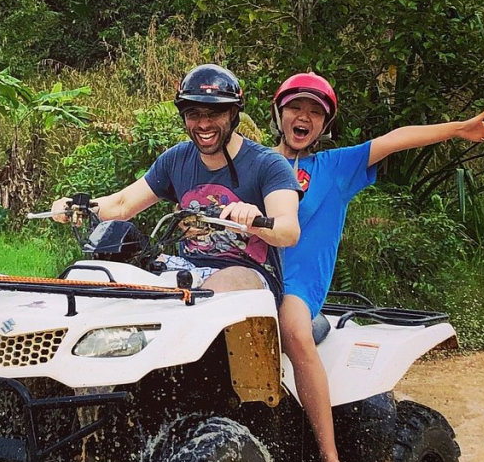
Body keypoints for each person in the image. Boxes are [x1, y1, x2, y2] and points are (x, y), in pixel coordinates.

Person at [271, 72, 484, 462]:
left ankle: (331, 459)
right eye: (295, 108)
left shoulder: (336, 167)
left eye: (314, 112)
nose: (303, 117)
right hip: (253, 279)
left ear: (324, 125)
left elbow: (397, 138)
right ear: (279, 114)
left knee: (293, 330)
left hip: (298, 287)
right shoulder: (256, 163)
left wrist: (457, 130)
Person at [52, 64, 301, 297]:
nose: (203, 124)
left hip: (252, 275)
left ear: (233, 114)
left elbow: (289, 231)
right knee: (107, 280)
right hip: (187, 268)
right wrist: (78, 208)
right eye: (194, 114)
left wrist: (253, 221)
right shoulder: (177, 159)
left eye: (214, 114)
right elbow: (122, 204)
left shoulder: (268, 164)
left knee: (206, 297)